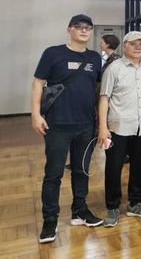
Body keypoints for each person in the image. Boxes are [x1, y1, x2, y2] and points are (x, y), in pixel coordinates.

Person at [32, 14, 103, 243]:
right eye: (78, 27)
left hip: (86, 125)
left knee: (81, 170)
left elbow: (98, 88)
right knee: (53, 174)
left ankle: (79, 211)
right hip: (58, 125)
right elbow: (38, 83)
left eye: (88, 28)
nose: (83, 31)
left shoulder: (95, 58)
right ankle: (50, 220)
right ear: (69, 30)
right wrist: (36, 114)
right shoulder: (53, 53)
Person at [98, 31, 141, 227]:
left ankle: (135, 203)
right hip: (118, 127)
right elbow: (104, 98)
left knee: (140, 166)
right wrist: (102, 127)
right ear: (125, 46)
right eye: (134, 43)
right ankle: (113, 207)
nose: (138, 47)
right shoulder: (114, 68)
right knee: (113, 168)